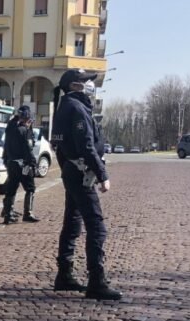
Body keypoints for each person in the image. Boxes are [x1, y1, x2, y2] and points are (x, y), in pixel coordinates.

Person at [50, 68, 121, 301]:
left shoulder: (66, 106)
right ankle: (97, 281)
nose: (90, 85)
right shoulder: (76, 107)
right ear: (74, 86)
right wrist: (102, 174)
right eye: (85, 81)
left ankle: (65, 274)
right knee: (96, 226)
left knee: (72, 223)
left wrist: (68, 168)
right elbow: (86, 145)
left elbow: (58, 145)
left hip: (73, 169)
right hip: (81, 172)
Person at [1, 105, 39, 225]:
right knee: (30, 188)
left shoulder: (11, 128)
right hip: (23, 164)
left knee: (11, 188)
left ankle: (8, 214)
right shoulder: (24, 131)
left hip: (11, 162)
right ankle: (28, 213)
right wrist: (33, 164)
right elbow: (28, 149)